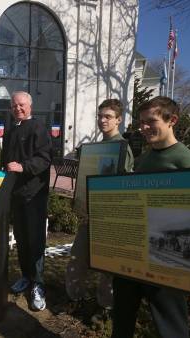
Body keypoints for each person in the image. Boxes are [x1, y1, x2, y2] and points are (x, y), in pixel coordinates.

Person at [111, 96, 190, 338]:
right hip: (133, 257)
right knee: (122, 320)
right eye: (141, 122)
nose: (144, 128)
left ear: (172, 120)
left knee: (170, 327)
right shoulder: (143, 160)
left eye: (151, 121)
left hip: (167, 261)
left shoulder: (189, 163)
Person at [66, 99, 134, 309]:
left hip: (110, 219)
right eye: (100, 116)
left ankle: (106, 306)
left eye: (108, 117)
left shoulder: (122, 149)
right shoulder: (96, 148)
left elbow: (126, 186)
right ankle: (75, 298)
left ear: (119, 120)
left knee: (108, 267)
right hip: (89, 216)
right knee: (77, 259)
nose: (102, 120)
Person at [1, 91, 52, 311]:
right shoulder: (12, 130)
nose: (18, 109)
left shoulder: (39, 128)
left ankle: (38, 284)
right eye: (14, 106)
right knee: (21, 239)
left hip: (34, 196)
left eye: (21, 105)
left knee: (35, 241)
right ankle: (25, 276)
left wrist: (24, 167)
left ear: (30, 106)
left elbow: (45, 158)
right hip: (16, 195)